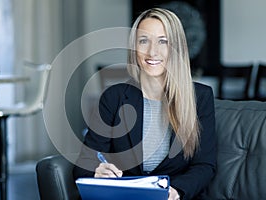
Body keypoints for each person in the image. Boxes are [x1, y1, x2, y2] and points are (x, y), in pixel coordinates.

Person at [73, 8, 216, 200]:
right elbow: (84, 162)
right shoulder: (113, 97)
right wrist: (96, 170)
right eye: (143, 41)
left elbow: (205, 165)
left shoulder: (200, 97)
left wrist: (176, 191)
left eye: (163, 41)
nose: (152, 52)